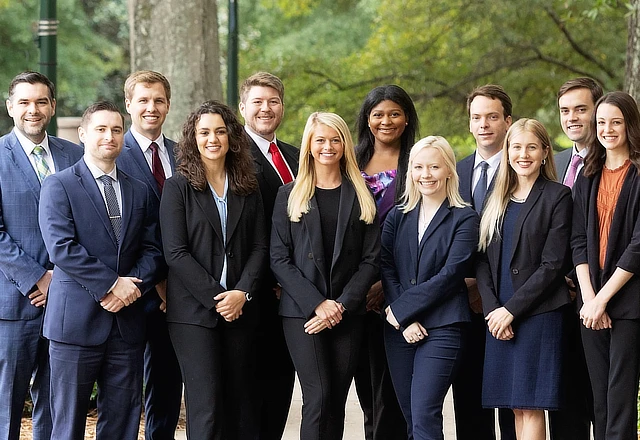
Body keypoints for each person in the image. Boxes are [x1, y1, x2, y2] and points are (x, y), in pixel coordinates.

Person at [39, 101, 165, 440]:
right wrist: (111, 285)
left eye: (116, 129)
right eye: (101, 129)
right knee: (66, 424)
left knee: (123, 422)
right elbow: (62, 248)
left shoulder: (139, 190)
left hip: (127, 324)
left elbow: (154, 249)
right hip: (75, 325)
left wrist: (132, 289)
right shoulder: (59, 185)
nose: (109, 136)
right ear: (82, 134)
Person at [160, 100, 267, 440]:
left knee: (240, 402)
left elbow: (261, 247)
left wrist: (242, 293)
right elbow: (175, 253)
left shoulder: (247, 186)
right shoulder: (178, 187)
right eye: (204, 132)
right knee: (205, 406)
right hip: (194, 314)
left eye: (220, 131)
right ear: (192, 138)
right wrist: (218, 298)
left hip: (242, 310)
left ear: (232, 137)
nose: (212, 139)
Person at [270, 112, 379, 440]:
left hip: (348, 313)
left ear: (345, 145)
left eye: (335, 139)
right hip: (302, 313)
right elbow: (278, 258)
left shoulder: (362, 194)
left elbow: (371, 259)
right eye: (320, 140)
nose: (328, 146)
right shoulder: (289, 194)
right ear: (309, 145)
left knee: (336, 401)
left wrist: (341, 305)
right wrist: (318, 304)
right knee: (317, 397)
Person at [477, 118, 572, 440]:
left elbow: (553, 264)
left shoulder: (558, 197)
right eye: (516, 147)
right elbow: (482, 260)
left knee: (530, 405)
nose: (523, 154)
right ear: (507, 152)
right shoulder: (496, 197)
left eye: (532, 147)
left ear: (545, 152)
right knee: (514, 406)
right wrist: (493, 310)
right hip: (497, 316)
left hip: (537, 314)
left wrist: (510, 311)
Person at [0, 71, 83, 440]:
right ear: (10, 107)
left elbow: (87, 224)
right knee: (6, 406)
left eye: (40, 102)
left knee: (57, 404)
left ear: (51, 107)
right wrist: (39, 277)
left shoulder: (76, 156)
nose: (32, 110)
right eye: (24, 102)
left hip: (68, 304)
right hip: (14, 304)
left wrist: (60, 279)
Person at [381, 136, 478, 440]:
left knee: (424, 413)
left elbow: (451, 275)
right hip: (400, 330)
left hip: (444, 326)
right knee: (410, 416)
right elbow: (386, 267)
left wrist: (401, 310)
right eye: (419, 167)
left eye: (434, 166)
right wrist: (405, 319)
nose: (426, 174)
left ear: (449, 170)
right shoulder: (398, 215)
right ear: (410, 171)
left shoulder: (465, 217)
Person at [117, 70, 182, 440]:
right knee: (124, 391)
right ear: (129, 105)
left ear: (168, 105)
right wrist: (154, 281)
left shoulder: (183, 153)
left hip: (176, 297)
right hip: (132, 291)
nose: (151, 108)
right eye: (142, 100)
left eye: (158, 100)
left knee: (166, 388)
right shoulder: (114, 152)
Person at [571, 91, 640, 440]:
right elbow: (578, 241)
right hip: (590, 303)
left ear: (630, 124)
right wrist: (589, 299)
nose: (608, 129)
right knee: (599, 398)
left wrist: (603, 300)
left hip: (628, 304)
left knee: (620, 397)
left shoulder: (639, 173)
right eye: (601, 122)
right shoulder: (587, 174)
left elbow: (638, 246)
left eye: (616, 122)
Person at [353, 84, 418, 440]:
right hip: (356, 290)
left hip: (401, 288)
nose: (386, 121)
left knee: (394, 392)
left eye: (394, 113)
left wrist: (386, 284)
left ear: (407, 118)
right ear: (367, 119)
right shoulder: (351, 161)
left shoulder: (418, 163)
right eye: (378, 114)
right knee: (367, 390)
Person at [238, 71, 298, 440]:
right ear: (243, 107)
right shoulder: (232, 155)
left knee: (280, 388)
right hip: (252, 291)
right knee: (250, 396)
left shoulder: (295, 155)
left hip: (291, 295)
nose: (265, 109)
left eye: (273, 102)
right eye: (257, 102)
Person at [455, 84, 515, 440]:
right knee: (469, 401)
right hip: (461, 301)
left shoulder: (523, 165)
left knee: (511, 404)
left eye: (492, 117)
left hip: (508, 301)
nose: (484, 125)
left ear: (507, 121)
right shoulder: (455, 171)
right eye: (477, 117)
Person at [551, 77, 603, 440]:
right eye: (565, 111)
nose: (572, 118)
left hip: (599, 295)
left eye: (581, 109)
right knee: (563, 401)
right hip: (554, 297)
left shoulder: (618, 164)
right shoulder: (552, 162)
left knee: (601, 399)